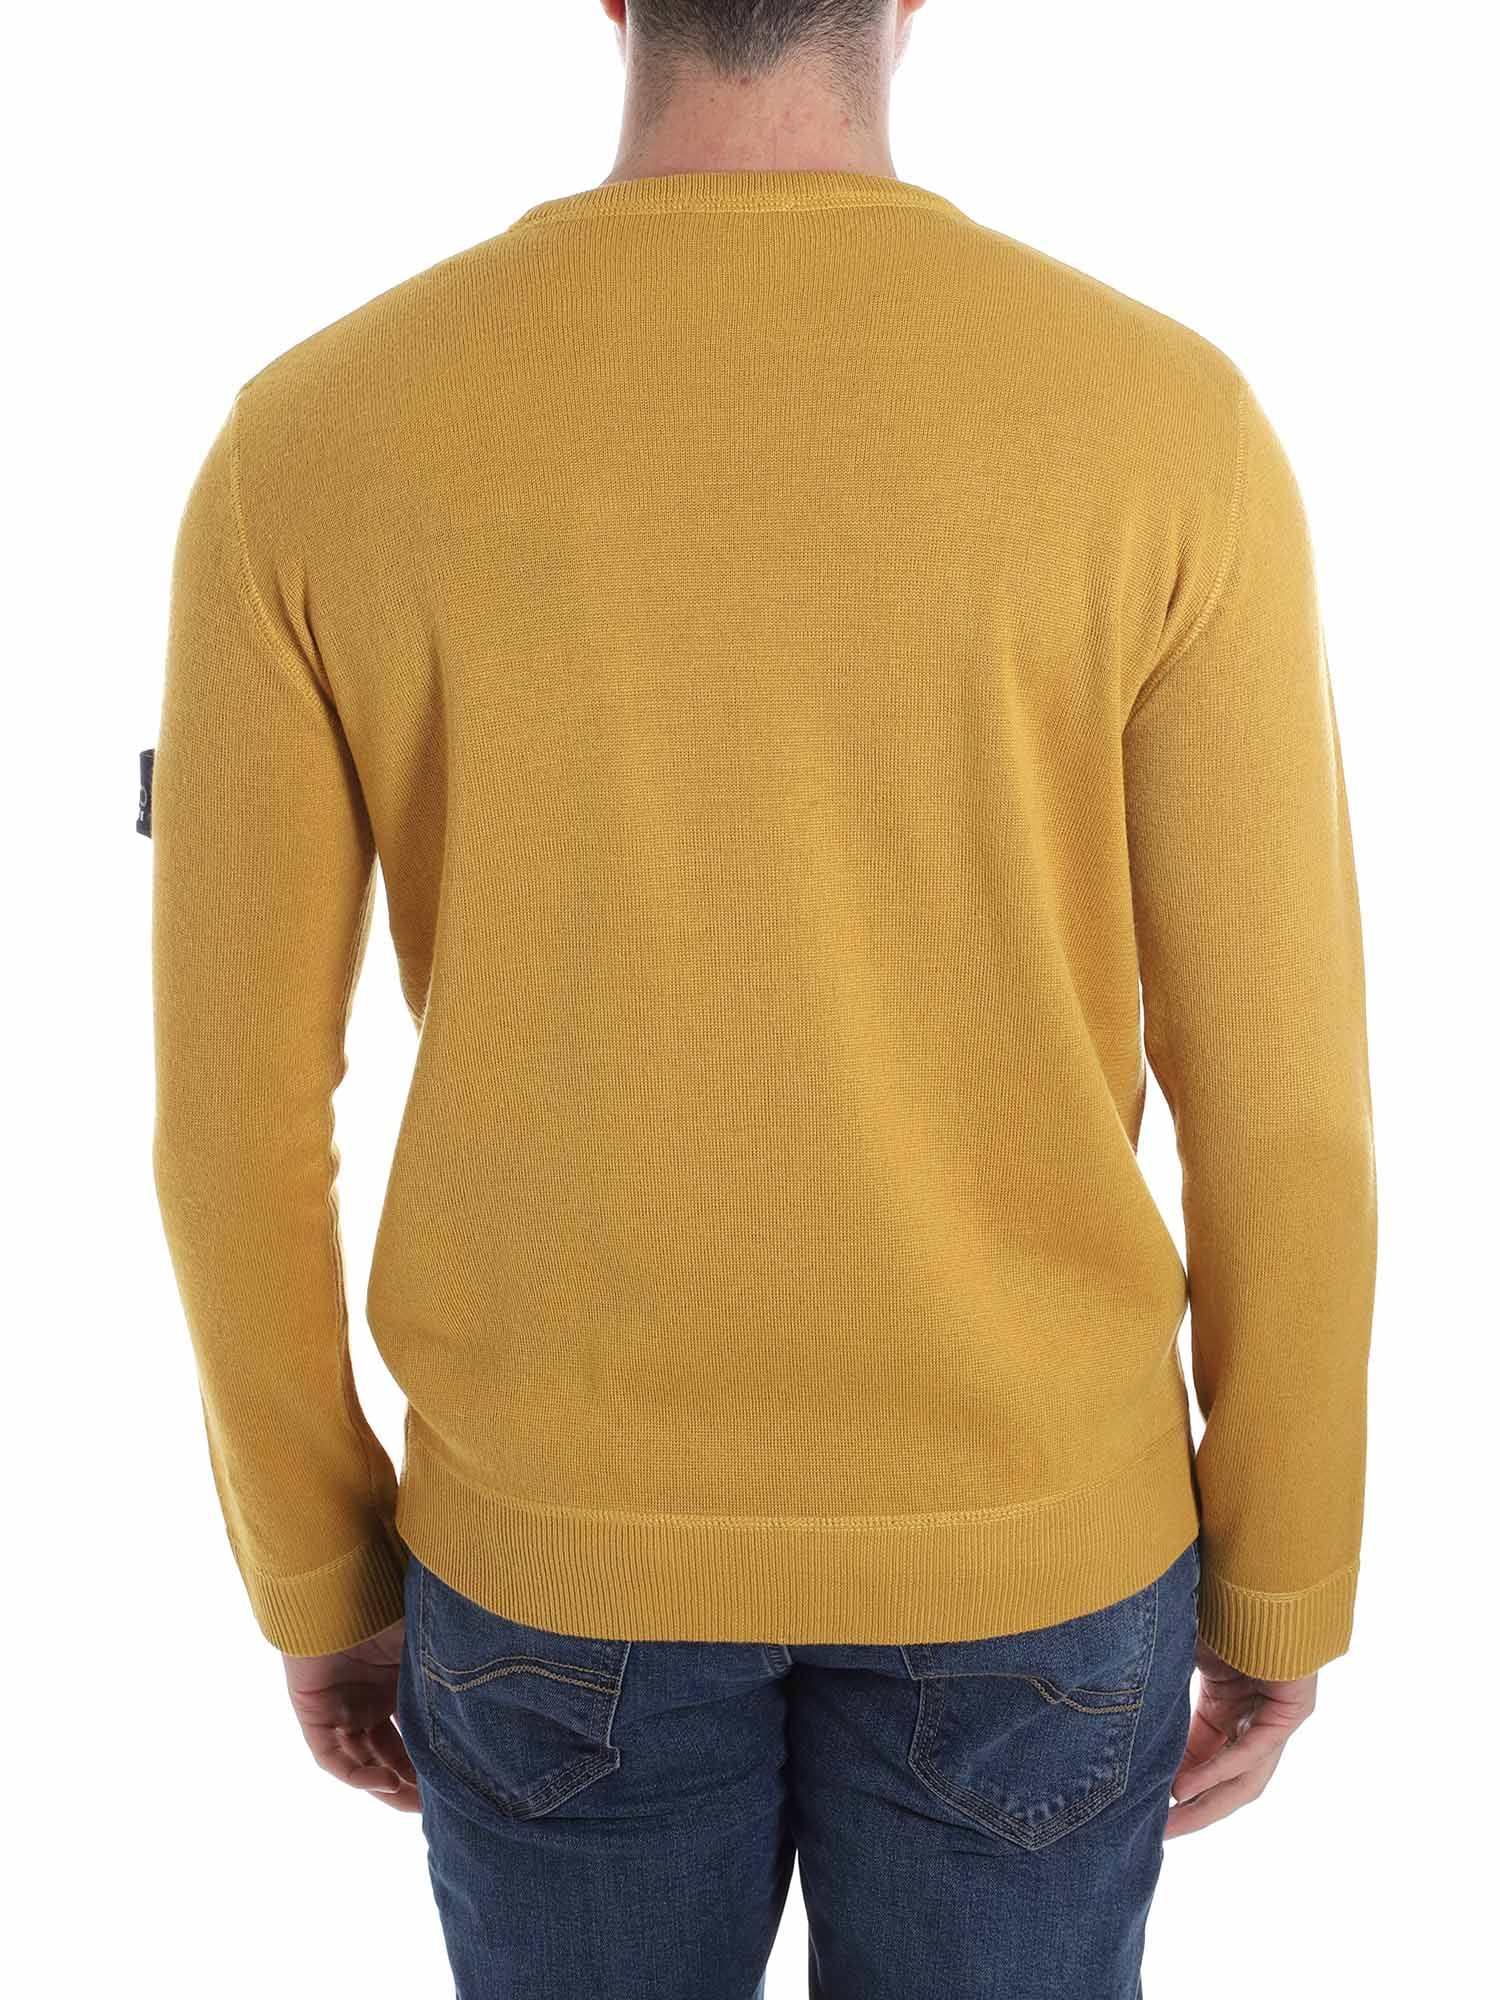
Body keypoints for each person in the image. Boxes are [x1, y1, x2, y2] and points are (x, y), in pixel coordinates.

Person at [144, 2, 1378, 1993]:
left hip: (553, 1553)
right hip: (1037, 1546)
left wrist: (316, 1557)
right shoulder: (1168, 426)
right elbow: (1285, 1104)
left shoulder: (311, 443)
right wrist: (1286, 1563)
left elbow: (230, 1125)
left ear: (611, 2)